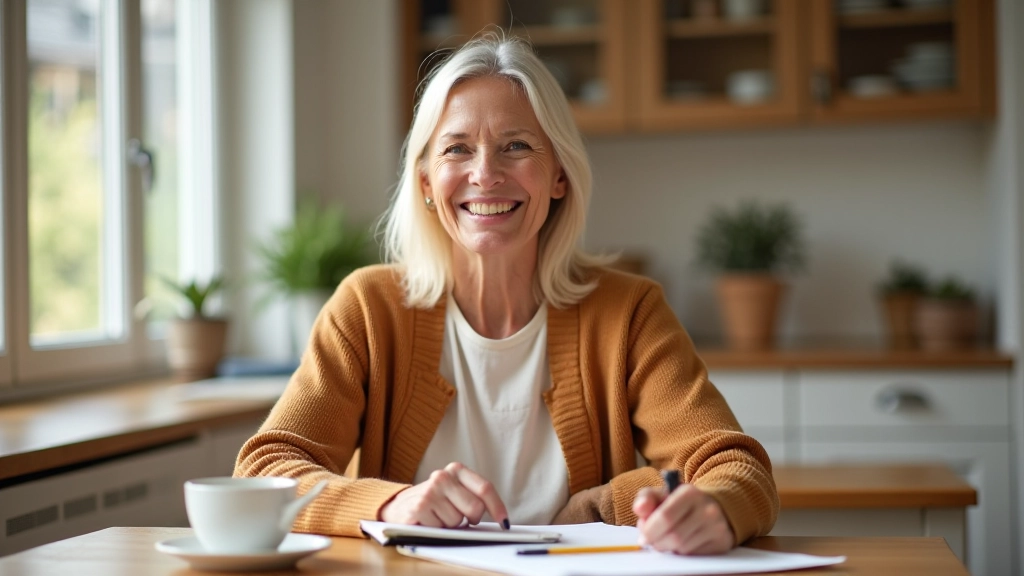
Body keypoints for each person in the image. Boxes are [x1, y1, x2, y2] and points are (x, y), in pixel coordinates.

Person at [235, 34, 778, 555]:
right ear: (426, 181)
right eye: (456, 149)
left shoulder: (629, 312)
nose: (485, 174)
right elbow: (265, 469)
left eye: (516, 146)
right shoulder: (368, 310)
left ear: (559, 175)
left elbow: (736, 467)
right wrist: (393, 504)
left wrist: (687, 508)